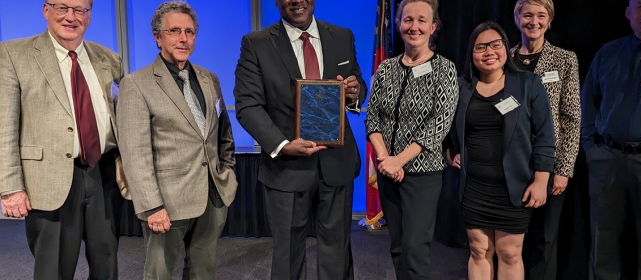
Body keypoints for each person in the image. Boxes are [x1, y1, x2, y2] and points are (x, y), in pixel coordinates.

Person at [233, 0, 366, 279]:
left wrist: (355, 94)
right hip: (286, 167)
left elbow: (358, 86)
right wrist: (282, 145)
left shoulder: (343, 36)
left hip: (336, 163)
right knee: (288, 254)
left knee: (337, 251)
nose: (297, 1)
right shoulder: (255, 44)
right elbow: (247, 106)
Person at [0, 0, 125, 279]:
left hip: (102, 176)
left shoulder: (110, 59)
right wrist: (10, 187)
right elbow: (4, 126)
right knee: (53, 268)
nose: (71, 17)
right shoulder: (13, 54)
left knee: (107, 261)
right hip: (48, 179)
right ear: (46, 11)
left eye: (80, 9)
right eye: (61, 7)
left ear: (89, 15)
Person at [116, 1, 237, 279]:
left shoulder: (209, 78)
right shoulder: (136, 84)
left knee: (203, 272)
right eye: (174, 31)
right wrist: (152, 206)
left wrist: (227, 173)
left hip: (213, 196)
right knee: (159, 273)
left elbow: (223, 134)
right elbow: (135, 153)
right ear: (157, 37)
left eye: (190, 31)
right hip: (166, 204)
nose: (184, 38)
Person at [449, 21, 555, 280]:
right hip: (473, 186)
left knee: (509, 252)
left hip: (514, 186)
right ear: (471, 54)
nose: (489, 52)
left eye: (496, 45)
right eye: (481, 47)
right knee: (478, 250)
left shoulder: (528, 83)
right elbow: (446, 128)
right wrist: (450, 153)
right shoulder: (462, 88)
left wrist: (541, 180)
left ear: (506, 49)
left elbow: (545, 134)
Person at [581, 0, 641, 279]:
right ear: (627, 12)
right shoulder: (608, 53)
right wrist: (591, 148)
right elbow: (588, 103)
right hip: (607, 159)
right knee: (603, 245)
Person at [364, 0, 457, 278]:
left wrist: (400, 160)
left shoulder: (445, 69)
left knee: (415, 250)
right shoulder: (386, 69)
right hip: (387, 171)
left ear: (433, 26)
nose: (414, 26)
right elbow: (373, 118)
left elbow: (438, 125)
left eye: (421, 20)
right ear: (398, 24)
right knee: (397, 247)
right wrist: (386, 160)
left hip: (422, 175)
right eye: (407, 19)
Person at [508, 1, 581, 279]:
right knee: (511, 242)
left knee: (543, 241)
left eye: (541, 15)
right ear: (517, 19)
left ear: (549, 20)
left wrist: (562, 169)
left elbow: (571, 118)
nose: (534, 21)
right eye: (527, 15)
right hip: (510, 165)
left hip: (548, 167)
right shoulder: (505, 57)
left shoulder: (564, 59)